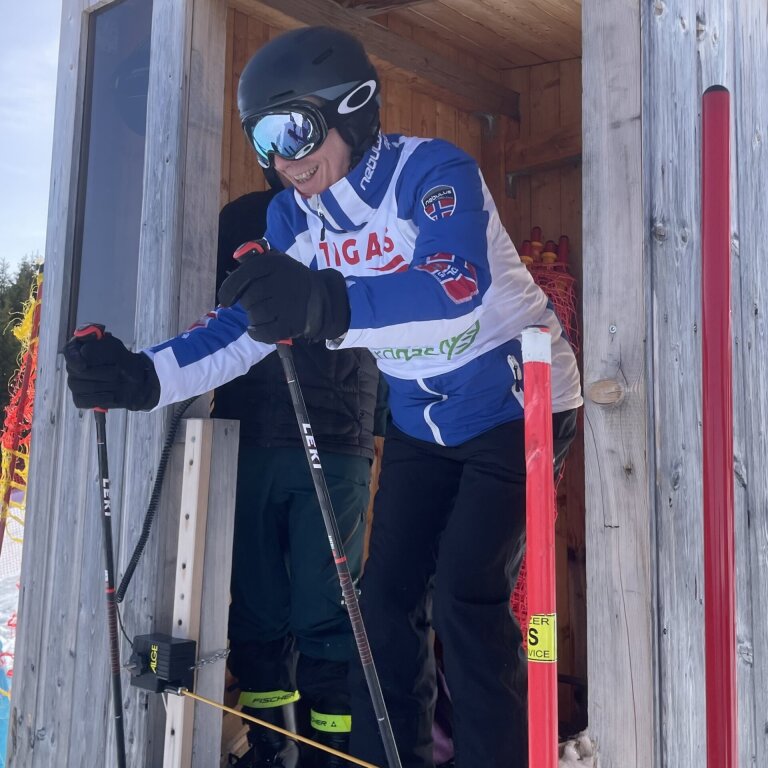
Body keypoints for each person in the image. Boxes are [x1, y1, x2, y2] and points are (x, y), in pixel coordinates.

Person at [64, 25, 582, 768]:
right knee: (385, 601)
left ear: (353, 109)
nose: (281, 158)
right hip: (420, 417)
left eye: (293, 129)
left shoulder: (432, 171)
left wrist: (327, 304)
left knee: (466, 593)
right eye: (262, 139)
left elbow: (456, 287)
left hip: (516, 403)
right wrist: (143, 378)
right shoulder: (292, 218)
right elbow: (243, 329)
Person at [214, 189, 383, 767]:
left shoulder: (363, 212)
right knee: (291, 605)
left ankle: (307, 749)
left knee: (303, 606)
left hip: (316, 437)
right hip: (277, 434)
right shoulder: (248, 215)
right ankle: (286, 747)